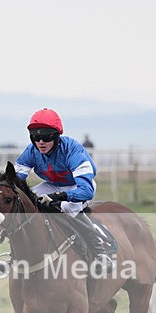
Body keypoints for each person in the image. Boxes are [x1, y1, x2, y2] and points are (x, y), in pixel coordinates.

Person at [14, 108, 114, 272]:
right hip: (52, 184)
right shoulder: (31, 151)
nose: (40, 142)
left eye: (46, 137)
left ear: (56, 136)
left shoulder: (73, 150)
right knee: (25, 202)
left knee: (68, 207)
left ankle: (100, 253)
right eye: (36, 137)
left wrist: (57, 197)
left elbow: (86, 191)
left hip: (78, 186)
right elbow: (15, 181)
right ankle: (15, 255)